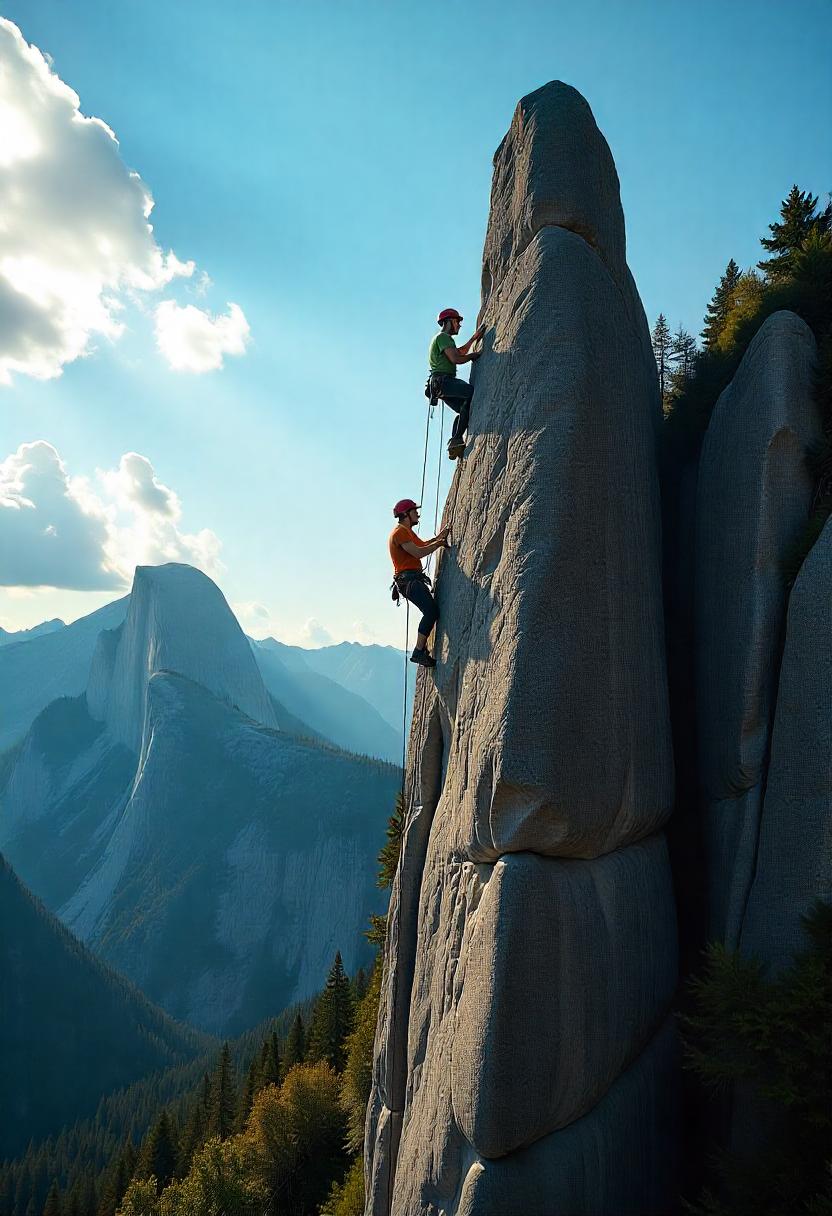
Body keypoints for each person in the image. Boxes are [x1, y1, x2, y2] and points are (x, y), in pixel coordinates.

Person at [389, 498, 450, 667]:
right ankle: (418, 651)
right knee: (431, 612)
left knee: (431, 611)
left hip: (410, 580)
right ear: (406, 514)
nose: (417, 513)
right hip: (409, 581)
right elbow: (417, 553)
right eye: (414, 511)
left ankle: (419, 651)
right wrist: (439, 544)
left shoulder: (406, 531)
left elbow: (422, 545)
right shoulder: (399, 533)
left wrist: (438, 538)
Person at [427, 308, 486, 459]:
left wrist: (474, 339)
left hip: (439, 385)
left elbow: (459, 352)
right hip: (444, 381)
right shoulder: (443, 338)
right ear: (449, 322)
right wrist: (475, 355)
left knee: (463, 408)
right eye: (457, 321)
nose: (459, 325)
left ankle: (455, 441)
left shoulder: (442, 340)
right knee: (470, 392)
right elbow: (456, 359)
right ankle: (456, 438)